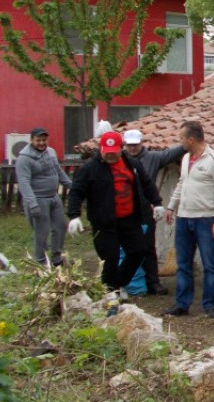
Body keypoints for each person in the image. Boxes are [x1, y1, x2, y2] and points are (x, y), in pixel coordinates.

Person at [66, 131, 165, 301]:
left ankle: (117, 284)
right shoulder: (90, 168)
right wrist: (74, 215)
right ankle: (110, 293)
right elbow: (76, 191)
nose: (110, 156)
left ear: (121, 149)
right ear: (101, 150)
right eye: (107, 153)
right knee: (110, 259)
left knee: (139, 250)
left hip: (129, 219)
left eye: (114, 153)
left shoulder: (132, 164)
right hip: (104, 223)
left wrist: (157, 203)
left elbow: (147, 183)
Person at [164, 120, 214, 319]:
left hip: (205, 219)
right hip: (184, 218)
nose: (181, 142)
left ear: (192, 139)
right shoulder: (185, 159)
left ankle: (209, 304)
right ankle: (182, 303)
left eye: (182, 138)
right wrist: (171, 206)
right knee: (183, 263)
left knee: (209, 264)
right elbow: (181, 184)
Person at [123, 129, 185, 296]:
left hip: (144, 208)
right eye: (130, 145)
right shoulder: (120, 159)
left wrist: (186, 144)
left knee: (148, 246)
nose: (133, 148)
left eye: (135, 145)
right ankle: (126, 281)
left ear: (141, 143)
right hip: (124, 208)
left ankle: (153, 282)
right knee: (126, 247)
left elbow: (170, 154)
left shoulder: (152, 157)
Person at [15, 127, 72, 267]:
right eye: (38, 140)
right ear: (31, 140)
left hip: (53, 197)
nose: (41, 143)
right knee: (42, 232)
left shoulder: (51, 152)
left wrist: (73, 187)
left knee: (60, 227)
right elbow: (24, 183)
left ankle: (56, 258)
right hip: (38, 199)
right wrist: (32, 204)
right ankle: (40, 263)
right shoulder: (24, 159)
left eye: (44, 140)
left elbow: (59, 172)